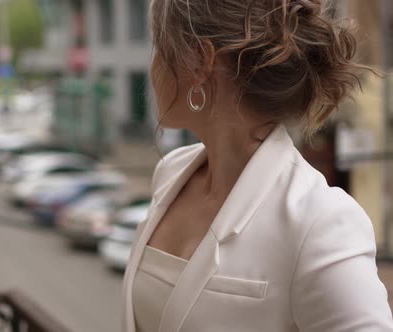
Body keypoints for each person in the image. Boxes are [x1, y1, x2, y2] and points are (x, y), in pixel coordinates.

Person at [122, 1, 393, 331]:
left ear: (199, 61)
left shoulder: (319, 221)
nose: (153, 67)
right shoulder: (170, 173)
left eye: (160, 48)